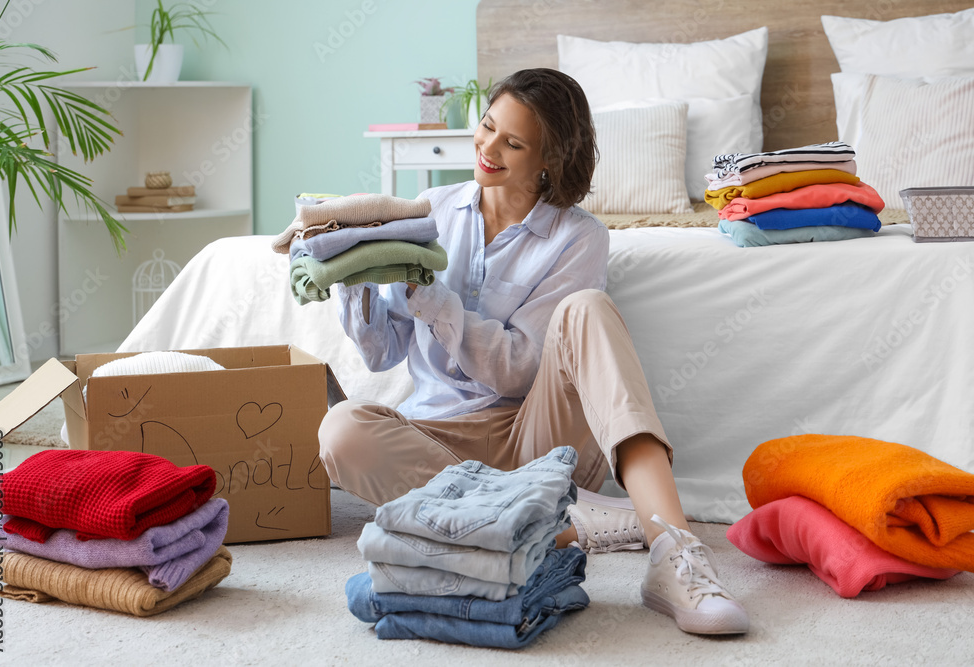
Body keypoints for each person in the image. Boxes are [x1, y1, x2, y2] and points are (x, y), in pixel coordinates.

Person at [318, 68, 748, 635]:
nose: (488, 148)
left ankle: (674, 553)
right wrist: (350, 271)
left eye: (512, 143)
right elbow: (382, 354)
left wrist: (436, 300)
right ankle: (557, 520)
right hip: (442, 438)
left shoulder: (579, 236)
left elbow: (518, 370)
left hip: (540, 436)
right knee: (342, 430)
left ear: (549, 159)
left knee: (587, 308)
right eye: (488, 127)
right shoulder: (430, 211)